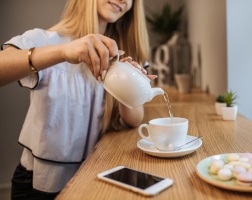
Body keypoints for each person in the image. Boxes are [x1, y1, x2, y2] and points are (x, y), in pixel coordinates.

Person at [0, 0, 156, 199]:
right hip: (37, 185)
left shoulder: (121, 52)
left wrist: (125, 81)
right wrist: (63, 52)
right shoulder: (45, 40)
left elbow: (135, 119)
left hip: (93, 178)